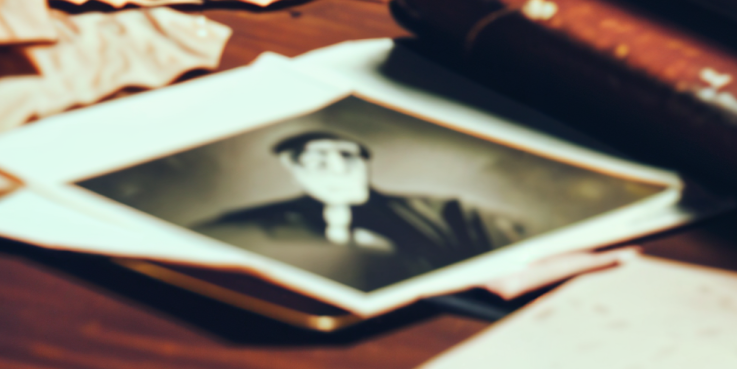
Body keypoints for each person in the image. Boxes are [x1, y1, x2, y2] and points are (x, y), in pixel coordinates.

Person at [201, 128, 532, 286]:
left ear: (365, 163)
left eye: (346, 156)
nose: (336, 169)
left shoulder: (447, 212)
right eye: (316, 160)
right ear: (295, 169)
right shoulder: (245, 226)